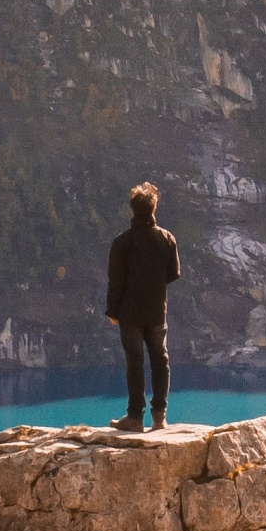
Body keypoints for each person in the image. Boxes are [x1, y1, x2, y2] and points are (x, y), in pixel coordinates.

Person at [105, 181, 180, 431]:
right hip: (157, 311)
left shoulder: (122, 242)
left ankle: (135, 418)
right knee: (161, 360)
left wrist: (113, 312)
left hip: (130, 314)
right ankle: (160, 417)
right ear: (154, 209)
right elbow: (173, 273)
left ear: (132, 211)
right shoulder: (166, 239)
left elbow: (115, 281)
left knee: (134, 363)